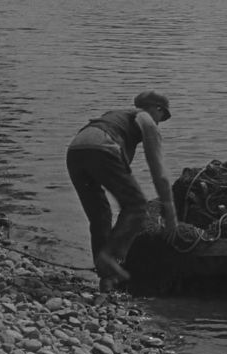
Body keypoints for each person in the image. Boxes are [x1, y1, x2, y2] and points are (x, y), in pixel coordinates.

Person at [66, 90, 178, 291]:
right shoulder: (146, 119)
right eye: (162, 117)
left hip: (75, 151)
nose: (159, 123)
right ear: (157, 109)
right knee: (137, 206)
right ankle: (108, 258)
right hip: (102, 148)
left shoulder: (117, 116)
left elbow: (118, 165)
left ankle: (106, 279)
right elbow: (158, 172)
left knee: (100, 215)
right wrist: (170, 212)